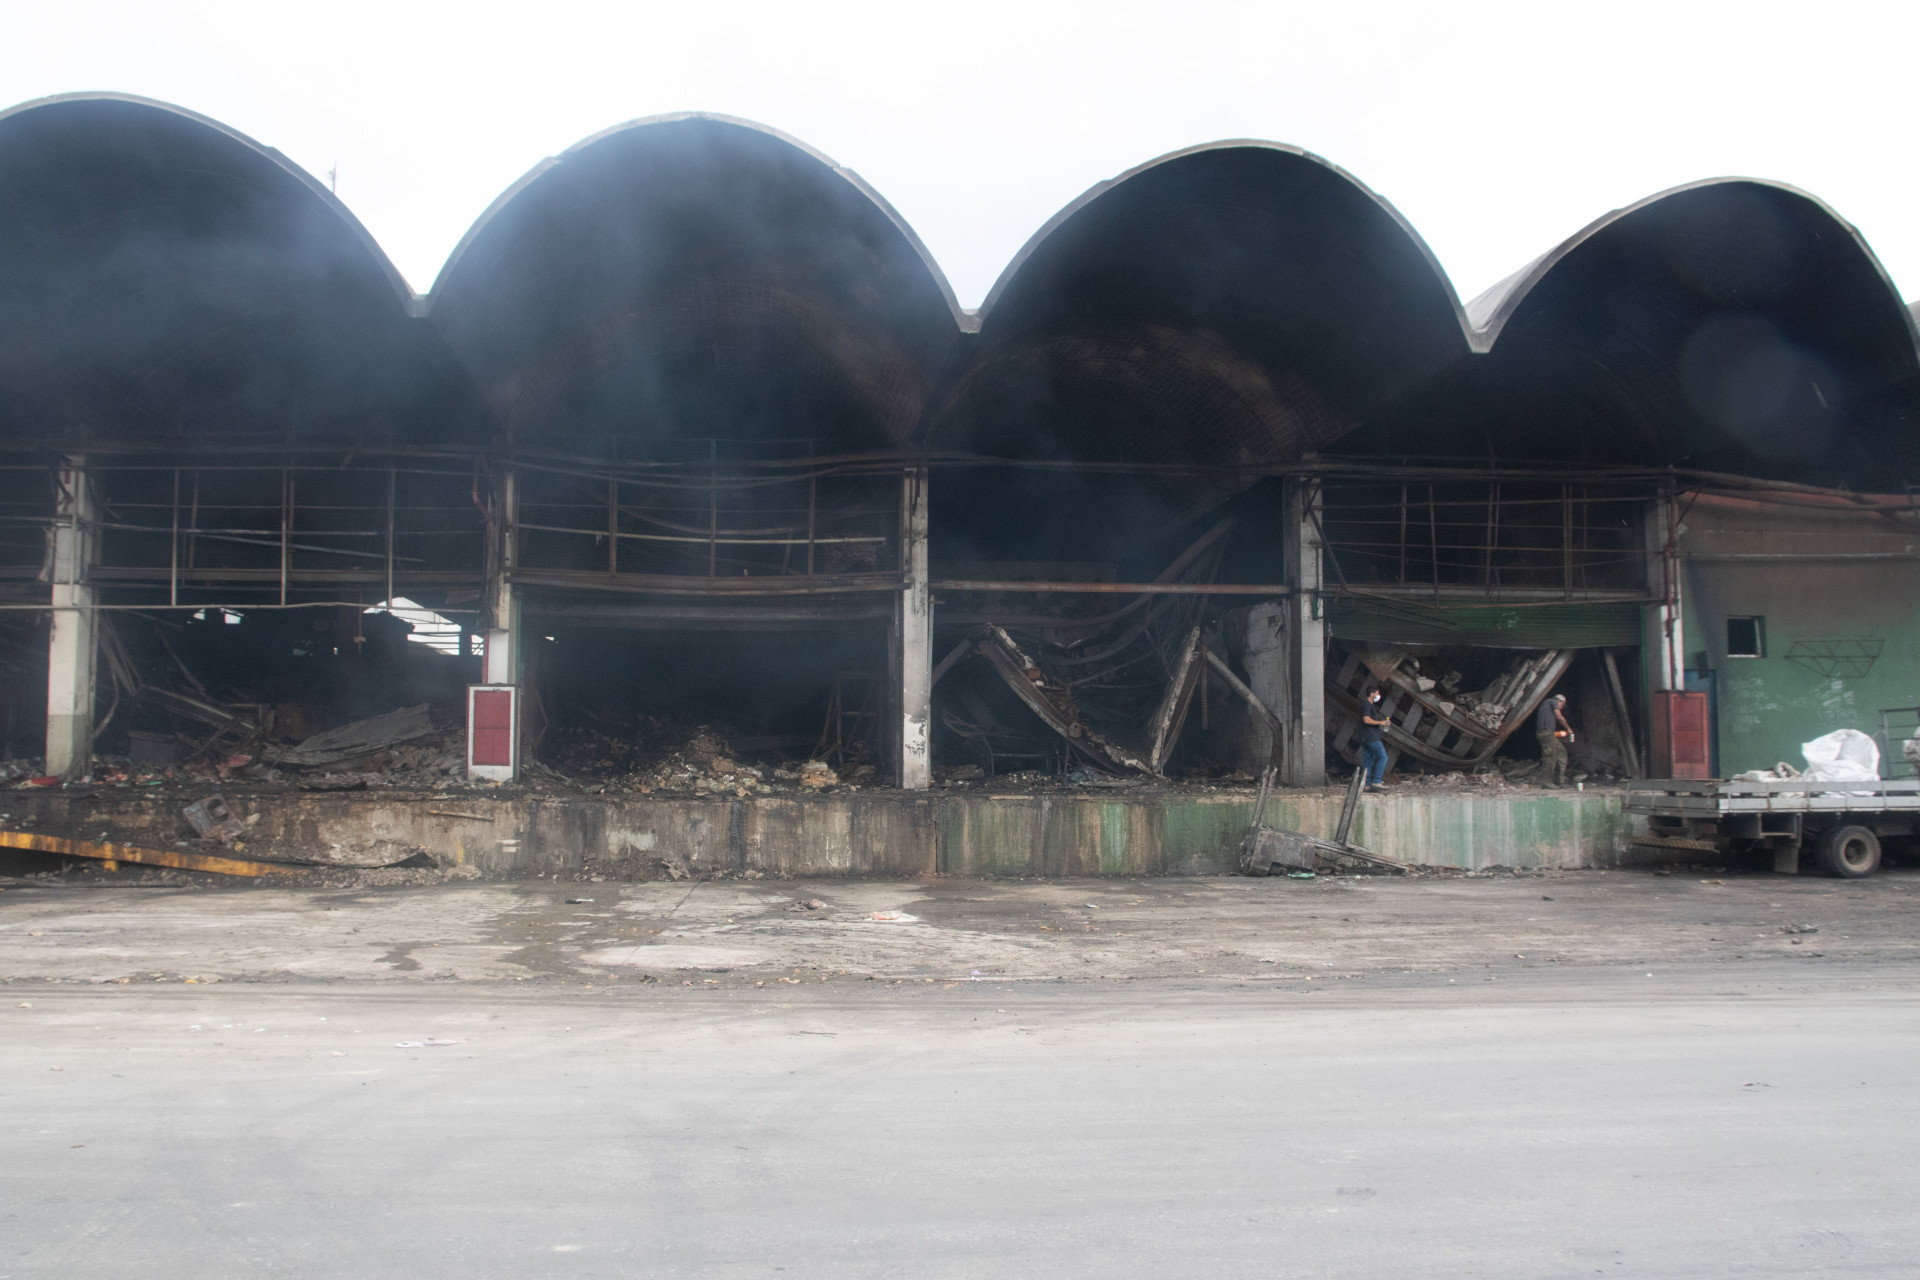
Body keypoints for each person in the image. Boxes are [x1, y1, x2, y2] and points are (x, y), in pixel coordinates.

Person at [1535, 693, 1575, 786]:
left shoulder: (1548, 706)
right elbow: (1559, 717)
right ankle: (1546, 782)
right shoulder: (1552, 701)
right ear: (1559, 700)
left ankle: (1559, 780)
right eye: (1562, 704)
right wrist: (1568, 729)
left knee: (1561, 752)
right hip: (1545, 733)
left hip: (1549, 734)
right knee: (1550, 756)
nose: (1562, 707)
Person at [1359, 687, 1392, 792]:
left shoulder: (1368, 705)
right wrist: (1381, 723)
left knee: (1368, 761)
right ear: (1372, 694)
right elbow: (1366, 720)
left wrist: (1383, 723)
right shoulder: (1367, 705)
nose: (1378, 695)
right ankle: (1377, 781)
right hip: (1372, 737)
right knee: (1383, 757)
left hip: (1365, 738)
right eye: (1377, 693)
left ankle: (1367, 784)